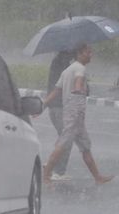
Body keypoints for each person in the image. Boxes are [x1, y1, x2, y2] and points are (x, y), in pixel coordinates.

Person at [41, 43, 114, 186]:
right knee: (62, 144)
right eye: (88, 52)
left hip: (76, 115)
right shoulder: (80, 68)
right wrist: (78, 89)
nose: (91, 55)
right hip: (73, 114)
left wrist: (43, 105)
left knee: (85, 146)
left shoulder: (67, 70)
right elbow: (79, 81)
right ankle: (47, 175)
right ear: (80, 54)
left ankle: (97, 177)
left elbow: (56, 90)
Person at [45, 50, 74, 181]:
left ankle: (51, 165)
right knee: (66, 139)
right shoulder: (65, 66)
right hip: (60, 107)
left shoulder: (59, 61)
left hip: (55, 107)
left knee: (63, 137)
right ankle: (58, 171)